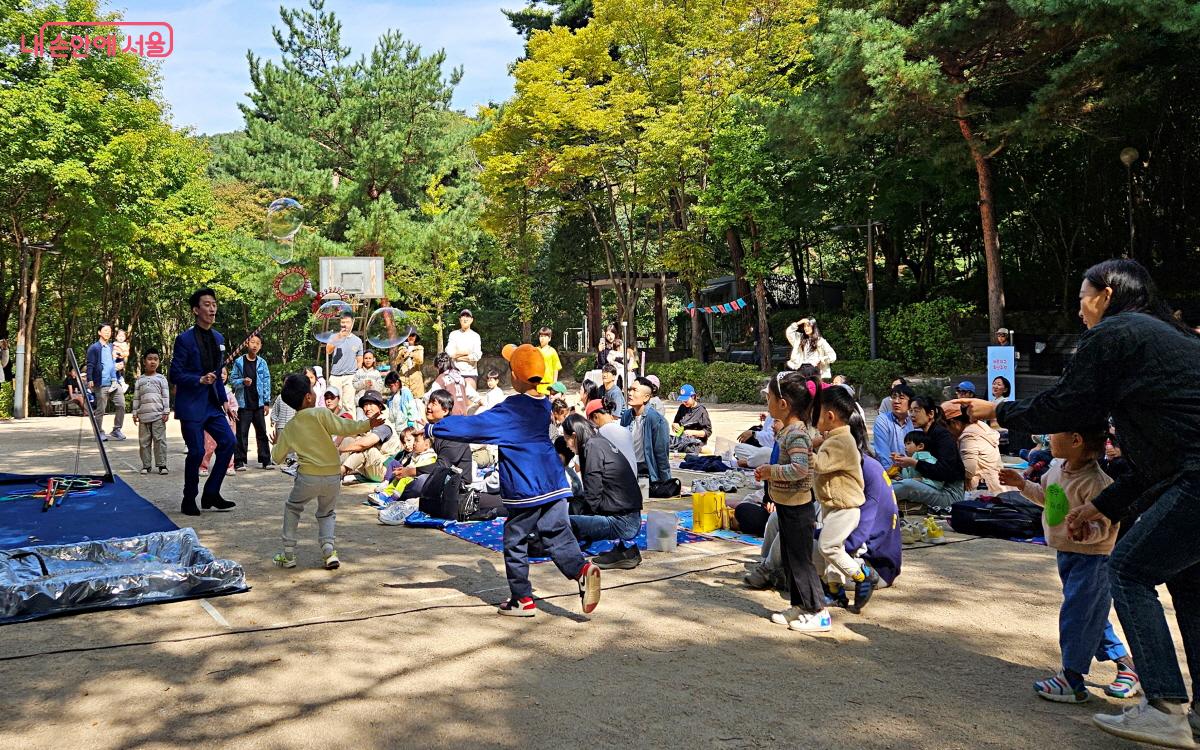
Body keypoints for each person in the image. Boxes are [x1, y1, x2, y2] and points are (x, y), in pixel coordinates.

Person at [958, 259, 1200, 747]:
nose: (1080, 311)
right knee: (1191, 590)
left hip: (1192, 480)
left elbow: (1071, 405)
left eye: (1083, 299)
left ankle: (1165, 707)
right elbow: (1155, 458)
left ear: (1106, 295)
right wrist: (1105, 504)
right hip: (1181, 476)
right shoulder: (1168, 337)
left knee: (1128, 572)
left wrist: (998, 410)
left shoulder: (1118, 333)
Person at [421, 344, 601, 617]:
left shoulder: (511, 410)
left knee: (514, 539)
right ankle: (582, 569)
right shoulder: (543, 405)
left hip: (526, 485)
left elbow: (474, 427)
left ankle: (522, 600)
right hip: (554, 481)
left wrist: (435, 426)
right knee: (557, 533)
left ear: (514, 376)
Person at [997, 427, 1140, 705]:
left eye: (1054, 433)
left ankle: (1072, 679)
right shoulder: (1056, 469)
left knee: (1077, 614)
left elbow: (1106, 524)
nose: (1048, 438)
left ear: (1077, 439)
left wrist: (1087, 531)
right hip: (1068, 554)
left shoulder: (1097, 482)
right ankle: (1126, 664)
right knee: (1088, 613)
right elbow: (1045, 496)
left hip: (1094, 558)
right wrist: (1021, 485)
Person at [269, 373, 385, 570]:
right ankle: (329, 551)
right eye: (313, 390)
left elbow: (276, 458)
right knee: (326, 512)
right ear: (308, 397)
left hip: (307, 477)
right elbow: (345, 426)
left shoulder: (290, 427)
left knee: (293, 507)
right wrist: (367, 424)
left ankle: (288, 553)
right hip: (332, 476)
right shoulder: (321, 414)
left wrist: (277, 443)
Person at [751, 371, 827, 632]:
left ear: (783, 404)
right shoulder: (788, 431)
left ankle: (818, 610)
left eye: (769, 398)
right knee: (790, 558)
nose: (767, 403)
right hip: (787, 504)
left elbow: (800, 469)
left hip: (799, 507)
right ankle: (799, 605)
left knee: (801, 560)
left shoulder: (796, 434)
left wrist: (770, 471)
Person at [809, 382, 875, 613]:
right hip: (833, 505)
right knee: (831, 554)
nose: (813, 419)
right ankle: (835, 591)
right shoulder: (835, 438)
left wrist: (805, 450)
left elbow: (821, 465)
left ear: (829, 416)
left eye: (816, 415)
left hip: (845, 507)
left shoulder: (841, 441)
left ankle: (861, 575)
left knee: (828, 547)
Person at [169, 289, 236, 516]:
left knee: (229, 442)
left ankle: (211, 493)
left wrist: (225, 400)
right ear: (196, 310)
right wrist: (198, 379)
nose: (212, 308)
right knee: (197, 451)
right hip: (191, 405)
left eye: (214, 304)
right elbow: (175, 374)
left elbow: (216, 373)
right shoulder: (184, 340)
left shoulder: (219, 338)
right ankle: (189, 499)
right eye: (206, 304)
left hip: (212, 404)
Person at [563, 413, 643, 570]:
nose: (567, 445)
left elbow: (592, 495)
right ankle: (623, 550)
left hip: (622, 523)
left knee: (557, 523)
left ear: (574, 436)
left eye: (566, 439)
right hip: (628, 517)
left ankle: (623, 551)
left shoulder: (592, 447)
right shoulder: (600, 442)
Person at [889, 396, 965, 515]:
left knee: (908, 486)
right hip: (935, 488)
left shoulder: (942, 436)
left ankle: (873, 496)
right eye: (911, 411)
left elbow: (944, 471)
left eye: (917, 410)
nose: (912, 415)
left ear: (930, 414)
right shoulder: (928, 434)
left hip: (950, 494)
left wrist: (914, 463)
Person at [230, 333, 272, 471]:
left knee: (262, 432)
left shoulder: (262, 363)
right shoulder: (239, 362)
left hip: (259, 404)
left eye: (257, 343)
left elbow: (266, 382)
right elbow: (232, 380)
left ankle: (266, 460)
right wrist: (243, 381)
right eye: (252, 342)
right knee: (242, 433)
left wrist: (266, 402)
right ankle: (239, 461)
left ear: (260, 346)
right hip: (243, 404)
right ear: (247, 344)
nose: (254, 345)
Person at [943, 401, 1005, 493]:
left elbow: (968, 471)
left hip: (984, 490)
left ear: (954, 423)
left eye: (945, 426)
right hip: (994, 483)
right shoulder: (978, 426)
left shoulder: (969, 436)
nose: (945, 430)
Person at [620, 380, 672, 485]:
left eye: (635, 390)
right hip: (628, 470)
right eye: (630, 389)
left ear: (646, 397)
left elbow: (661, 455)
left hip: (646, 473)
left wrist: (666, 483)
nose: (630, 393)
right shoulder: (626, 416)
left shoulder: (657, 420)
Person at [339, 390, 394, 484]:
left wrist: (340, 449)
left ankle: (340, 471)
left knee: (367, 447)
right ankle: (334, 470)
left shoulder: (384, 424)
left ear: (380, 406)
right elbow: (348, 433)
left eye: (371, 404)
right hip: (370, 469)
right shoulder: (369, 423)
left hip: (384, 472)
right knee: (349, 440)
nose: (367, 408)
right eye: (365, 405)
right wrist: (336, 444)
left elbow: (364, 444)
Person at [85, 323, 127, 441]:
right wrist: (90, 379)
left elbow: (118, 360)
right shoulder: (94, 348)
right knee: (101, 409)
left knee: (121, 405)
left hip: (114, 381)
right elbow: (90, 364)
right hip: (101, 383)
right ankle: (99, 432)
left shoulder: (111, 347)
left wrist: (120, 365)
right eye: (105, 330)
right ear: (99, 332)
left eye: (109, 330)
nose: (108, 332)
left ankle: (116, 430)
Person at [132, 348, 170, 475]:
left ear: (158, 362)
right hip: (143, 416)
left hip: (158, 415)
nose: (152, 362)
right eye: (149, 359)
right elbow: (136, 397)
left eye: (155, 359)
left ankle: (162, 465)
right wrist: (134, 412)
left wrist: (166, 411)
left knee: (160, 440)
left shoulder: (161, 378)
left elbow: (165, 396)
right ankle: (146, 465)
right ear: (144, 362)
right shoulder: (139, 380)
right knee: (144, 442)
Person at [586, 398, 636, 474]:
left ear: (595, 416)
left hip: (616, 482)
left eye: (591, 422)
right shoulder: (626, 430)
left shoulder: (600, 434)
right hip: (633, 480)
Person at [325, 311, 363, 409]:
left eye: (347, 322)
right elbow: (328, 351)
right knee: (335, 405)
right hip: (335, 376)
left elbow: (359, 360)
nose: (345, 325)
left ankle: (351, 424)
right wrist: (339, 337)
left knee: (349, 405)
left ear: (352, 322)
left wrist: (357, 375)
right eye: (343, 322)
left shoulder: (357, 340)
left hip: (350, 376)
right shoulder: (334, 337)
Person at [873, 384, 915, 471]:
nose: (896, 401)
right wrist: (892, 472)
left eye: (901, 398)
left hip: (913, 470)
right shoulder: (883, 419)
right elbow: (882, 452)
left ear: (910, 402)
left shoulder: (915, 421)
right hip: (890, 471)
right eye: (893, 397)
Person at [445, 309, 482, 389]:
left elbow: (477, 356)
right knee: (455, 400)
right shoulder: (453, 334)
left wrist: (457, 357)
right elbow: (449, 353)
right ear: (459, 319)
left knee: (470, 399)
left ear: (471, 320)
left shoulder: (475, 336)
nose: (465, 318)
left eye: (468, 316)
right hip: (454, 373)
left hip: (470, 373)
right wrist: (466, 353)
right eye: (463, 316)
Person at [671, 384, 712, 454]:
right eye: (682, 400)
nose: (684, 402)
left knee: (688, 448)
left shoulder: (701, 410)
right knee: (667, 442)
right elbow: (676, 422)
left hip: (696, 441)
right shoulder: (682, 407)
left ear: (693, 396)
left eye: (686, 400)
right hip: (682, 439)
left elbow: (708, 432)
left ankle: (700, 449)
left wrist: (692, 433)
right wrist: (674, 425)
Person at [431, 351, 472, 416]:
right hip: (463, 417)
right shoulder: (461, 378)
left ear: (439, 367)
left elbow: (430, 396)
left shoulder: (441, 379)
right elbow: (475, 396)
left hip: (449, 418)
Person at [270, 389, 298, 476]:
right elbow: (275, 409)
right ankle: (276, 459)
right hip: (281, 424)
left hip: (292, 424)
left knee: (291, 445)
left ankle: (290, 459)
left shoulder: (296, 396)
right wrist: (273, 419)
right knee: (280, 443)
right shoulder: (280, 397)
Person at [394, 327, 426, 398]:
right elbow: (396, 362)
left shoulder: (419, 348)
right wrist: (402, 355)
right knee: (403, 400)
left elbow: (420, 360)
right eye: (409, 335)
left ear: (416, 337)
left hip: (416, 379)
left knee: (417, 401)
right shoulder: (402, 349)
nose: (411, 337)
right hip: (404, 379)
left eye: (413, 335)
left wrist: (411, 354)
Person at [352, 350, 383, 419]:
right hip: (360, 403)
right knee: (360, 422)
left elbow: (380, 387)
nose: (368, 360)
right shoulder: (359, 372)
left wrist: (373, 384)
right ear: (363, 360)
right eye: (366, 358)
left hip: (373, 404)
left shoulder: (376, 373)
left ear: (373, 359)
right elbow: (354, 385)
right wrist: (363, 383)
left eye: (370, 358)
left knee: (372, 422)